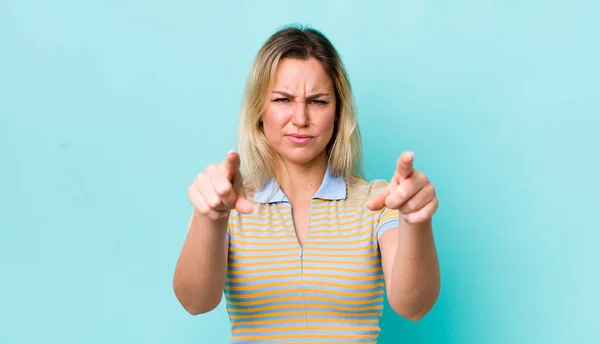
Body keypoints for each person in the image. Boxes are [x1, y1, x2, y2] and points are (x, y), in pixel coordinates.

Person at [173, 25, 440, 343]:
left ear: (338, 112)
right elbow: (195, 302)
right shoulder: (224, 203)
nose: (300, 118)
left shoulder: (379, 201)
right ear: (260, 110)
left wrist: (415, 221)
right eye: (283, 99)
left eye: (317, 101)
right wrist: (210, 219)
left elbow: (414, 306)